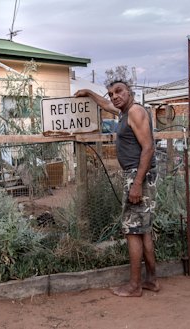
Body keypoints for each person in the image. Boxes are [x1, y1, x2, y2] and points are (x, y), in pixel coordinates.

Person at [74, 80, 160, 297]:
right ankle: (151, 280)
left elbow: (148, 147)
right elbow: (105, 104)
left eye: (119, 91)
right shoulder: (124, 112)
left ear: (130, 92)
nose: (114, 96)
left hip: (138, 175)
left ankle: (134, 285)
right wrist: (87, 92)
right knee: (143, 231)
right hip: (138, 175)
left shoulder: (135, 112)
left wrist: (137, 184)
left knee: (132, 232)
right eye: (112, 93)